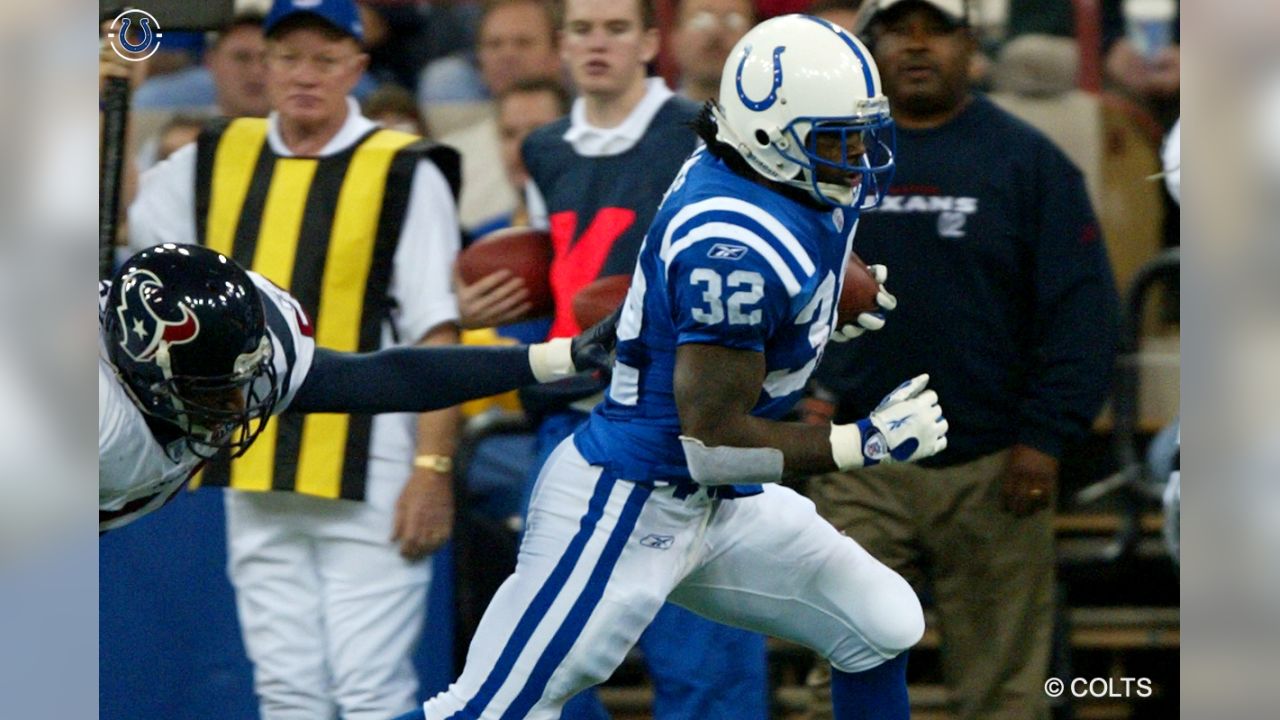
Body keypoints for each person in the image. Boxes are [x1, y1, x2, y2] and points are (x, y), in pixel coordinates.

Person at [404, 14, 948, 720]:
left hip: (714, 504)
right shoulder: (733, 241)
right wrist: (864, 442)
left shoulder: (768, 166)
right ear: (767, 133)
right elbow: (713, 445)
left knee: (881, 622)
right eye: (836, 141)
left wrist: (816, 304)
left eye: (861, 134)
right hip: (630, 497)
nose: (857, 158)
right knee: (487, 710)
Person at [126, 1, 458, 718]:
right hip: (252, 455)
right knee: (286, 691)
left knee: (373, 691)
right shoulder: (215, 155)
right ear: (262, 64)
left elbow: (437, 329)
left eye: (325, 58)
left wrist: (433, 468)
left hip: (373, 461)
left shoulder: (403, 170)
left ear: (358, 69)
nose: (305, 75)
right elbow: (131, 224)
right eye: (288, 56)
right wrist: (107, 98)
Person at [799, 2, 1120, 719]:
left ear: (970, 42)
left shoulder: (1029, 160)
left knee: (1007, 689)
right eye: (898, 31)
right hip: (860, 461)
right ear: (869, 44)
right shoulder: (828, 158)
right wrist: (807, 392)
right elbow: (786, 291)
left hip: (993, 463)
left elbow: (1083, 311)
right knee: (841, 676)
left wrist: (1044, 438)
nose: (917, 48)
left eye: (935, 30)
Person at [458, 0, 770, 717]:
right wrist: (492, 307)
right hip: (572, 425)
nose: (599, 44)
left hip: (679, 430)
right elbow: (558, 272)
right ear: (561, 45)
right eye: (584, 29)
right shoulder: (545, 146)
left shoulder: (704, 132)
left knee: (704, 662)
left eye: (617, 28)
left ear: (650, 41)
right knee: (549, 657)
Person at [100, 243, 617, 532]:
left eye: (240, 381)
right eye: (212, 390)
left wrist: (557, 356)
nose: (238, 404)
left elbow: (382, 379)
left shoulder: (245, 351)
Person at [435, 0, 566, 234]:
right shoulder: (451, 157)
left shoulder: (592, 140)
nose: (508, 55)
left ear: (559, 52)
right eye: (494, 45)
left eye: (523, 43)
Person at [133, 12, 270, 117]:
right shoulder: (181, 141)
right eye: (241, 58)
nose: (256, 70)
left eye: (265, 59)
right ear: (210, 61)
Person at [669, 0, 754, 104]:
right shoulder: (654, 117)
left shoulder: (774, 119)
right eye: (701, 21)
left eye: (733, 22)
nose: (717, 32)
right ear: (675, 38)